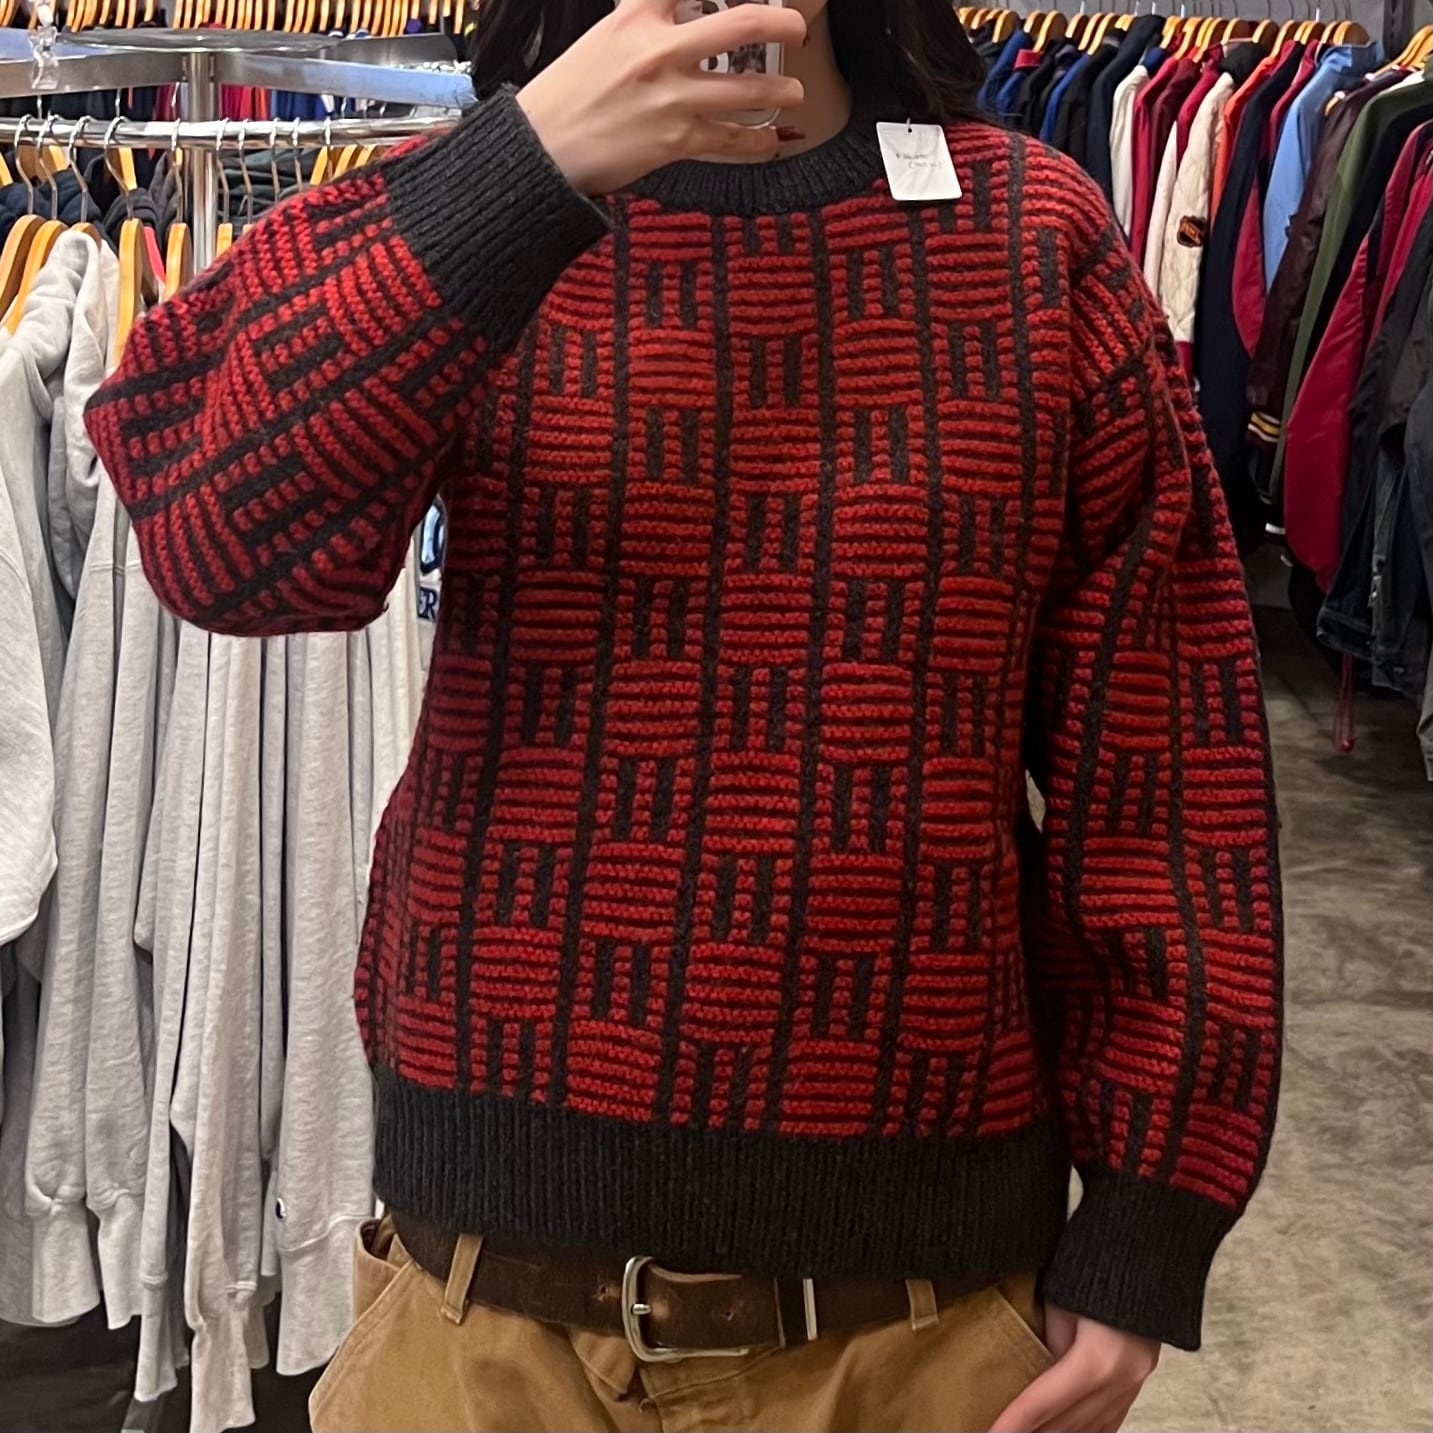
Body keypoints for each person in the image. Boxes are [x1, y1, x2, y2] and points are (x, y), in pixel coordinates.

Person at [84, 1, 1284, 1429]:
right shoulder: (473, 208)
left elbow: (1165, 763)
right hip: (484, 1309)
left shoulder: (1028, 235)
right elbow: (221, 547)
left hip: (911, 1324)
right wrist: (523, 169)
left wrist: (1150, 1217)